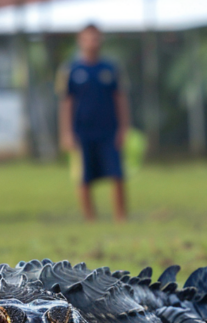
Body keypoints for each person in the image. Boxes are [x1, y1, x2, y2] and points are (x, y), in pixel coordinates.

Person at [58, 24, 130, 223]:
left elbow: (120, 99)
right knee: (84, 176)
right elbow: (66, 103)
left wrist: (124, 128)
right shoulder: (71, 69)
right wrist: (66, 132)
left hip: (109, 130)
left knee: (117, 174)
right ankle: (90, 218)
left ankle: (120, 216)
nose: (92, 42)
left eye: (96, 38)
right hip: (82, 131)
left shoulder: (111, 68)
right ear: (80, 41)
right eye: (88, 38)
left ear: (102, 40)